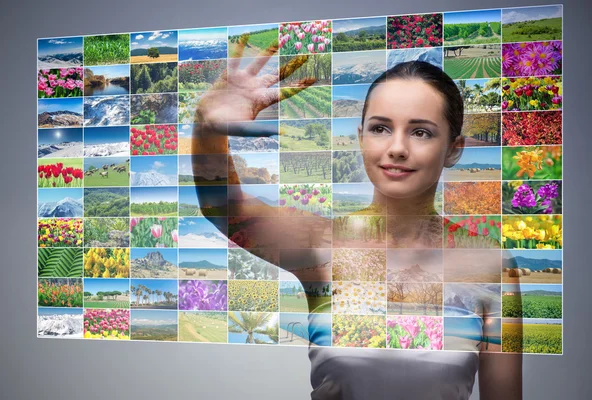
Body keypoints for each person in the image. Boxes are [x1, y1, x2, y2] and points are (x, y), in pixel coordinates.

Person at [191, 33, 523, 400]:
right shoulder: (319, 246)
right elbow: (221, 208)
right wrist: (207, 127)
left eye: (421, 132)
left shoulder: (491, 265)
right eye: (380, 128)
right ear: (361, 136)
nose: (397, 148)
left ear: (453, 149)